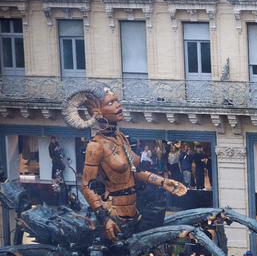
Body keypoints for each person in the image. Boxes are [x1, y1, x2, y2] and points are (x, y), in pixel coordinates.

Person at [62, 87, 187, 241]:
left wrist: (164, 182)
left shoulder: (120, 137)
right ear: (98, 112)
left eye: (117, 101)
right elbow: (87, 185)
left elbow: (135, 171)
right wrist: (103, 219)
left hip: (135, 213)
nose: (118, 105)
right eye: (110, 103)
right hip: (115, 219)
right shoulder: (95, 146)